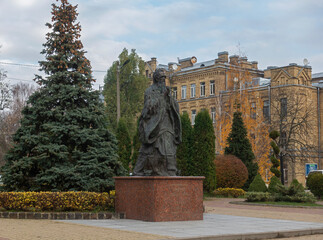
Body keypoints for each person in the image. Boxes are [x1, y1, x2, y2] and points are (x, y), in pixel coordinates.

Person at [133, 68, 182, 176]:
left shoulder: (167, 90)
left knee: (169, 146)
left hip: (167, 122)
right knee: (148, 147)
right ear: (156, 78)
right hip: (154, 123)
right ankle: (138, 170)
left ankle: (171, 170)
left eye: (164, 78)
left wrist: (170, 99)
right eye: (161, 77)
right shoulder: (150, 91)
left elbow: (174, 106)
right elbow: (148, 108)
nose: (163, 80)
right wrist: (162, 97)